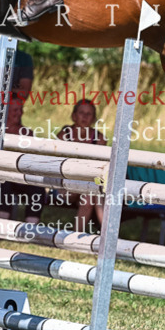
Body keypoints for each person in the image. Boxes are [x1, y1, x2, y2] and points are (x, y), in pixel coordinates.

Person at [58, 99, 107, 232]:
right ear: (74, 116)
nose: (85, 117)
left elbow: (102, 169)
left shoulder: (99, 139)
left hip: (89, 183)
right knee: (92, 191)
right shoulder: (64, 135)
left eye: (89, 114)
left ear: (94, 118)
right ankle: (109, 235)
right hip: (64, 185)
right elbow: (56, 165)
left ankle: (76, 235)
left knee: (90, 194)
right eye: (81, 113)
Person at [0, 95, 45, 224]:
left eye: (21, 109)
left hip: (21, 176)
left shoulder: (27, 133)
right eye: (15, 110)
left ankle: (31, 229)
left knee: (38, 188)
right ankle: (1, 226)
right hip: (2, 174)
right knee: (4, 186)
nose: (19, 113)